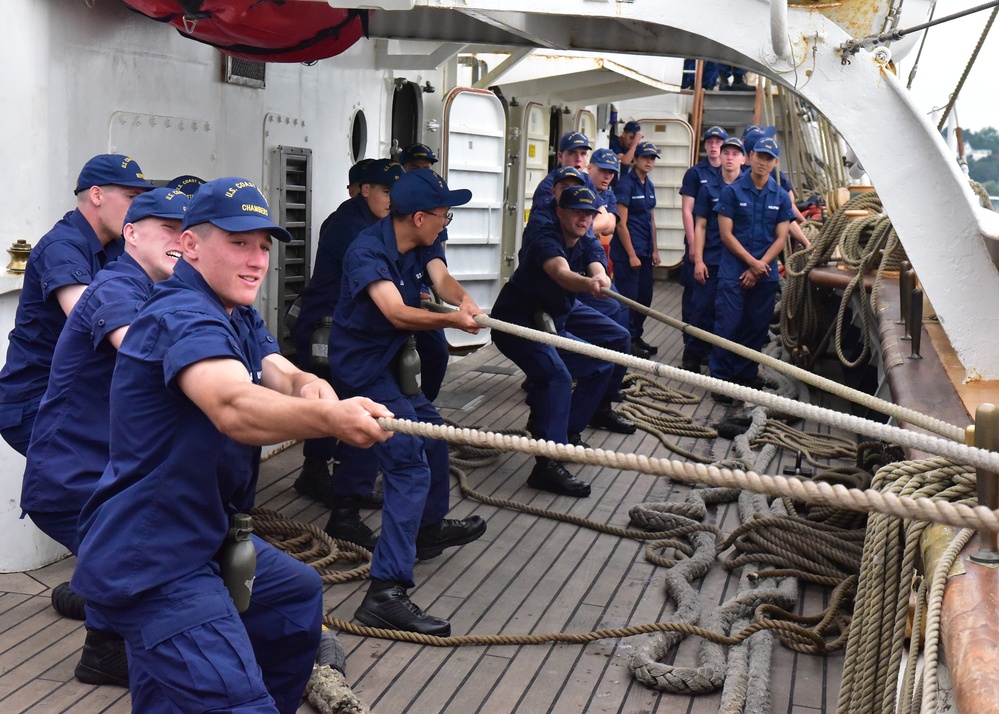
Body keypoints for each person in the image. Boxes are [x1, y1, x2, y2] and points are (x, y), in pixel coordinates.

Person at [70, 177, 392, 713]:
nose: (257, 259)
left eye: (264, 246)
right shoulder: (181, 314)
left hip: (203, 531)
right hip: (152, 555)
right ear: (191, 246)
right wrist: (329, 417)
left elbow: (278, 371)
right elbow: (232, 405)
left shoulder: (232, 312)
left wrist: (314, 388)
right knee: (236, 702)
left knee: (294, 595)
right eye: (239, 242)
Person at [22, 187, 189, 687]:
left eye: (188, 232)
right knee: (153, 555)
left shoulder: (164, 291)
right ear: (132, 235)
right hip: (72, 474)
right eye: (168, 230)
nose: (180, 241)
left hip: (103, 470)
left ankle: (103, 648)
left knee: (133, 547)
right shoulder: (116, 287)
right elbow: (138, 348)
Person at [330, 169, 486, 636]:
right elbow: (396, 312)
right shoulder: (367, 251)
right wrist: (453, 325)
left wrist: (465, 303)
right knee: (407, 462)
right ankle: (384, 593)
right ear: (419, 217)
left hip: (392, 366)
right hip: (361, 369)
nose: (446, 223)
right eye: (443, 215)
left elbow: (442, 281)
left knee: (435, 441)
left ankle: (426, 531)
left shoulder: (421, 242)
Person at [0, 154, 152, 455]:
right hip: (34, 402)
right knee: (95, 478)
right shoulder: (62, 247)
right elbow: (88, 314)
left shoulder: (117, 244)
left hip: (78, 396)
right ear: (97, 195)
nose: (138, 210)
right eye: (131, 197)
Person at [492, 186, 628, 498]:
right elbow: (561, 273)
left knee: (600, 364)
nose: (584, 218)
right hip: (517, 323)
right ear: (560, 212)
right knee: (556, 376)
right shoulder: (545, 235)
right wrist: (588, 283)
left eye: (589, 213)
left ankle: (565, 431)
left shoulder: (587, 238)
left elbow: (597, 266)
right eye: (577, 212)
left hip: (555, 317)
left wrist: (600, 279)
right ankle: (546, 467)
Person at [291, 159, 404, 527]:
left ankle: (327, 473)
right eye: (388, 192)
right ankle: (316, 472)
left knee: (341, 396)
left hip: (344, 323)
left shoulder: (372, 222)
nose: (394, 200)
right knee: (332, 396)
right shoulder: (350, 226)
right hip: (325, 324)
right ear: (365, 190)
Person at [709, 137, 795, 394]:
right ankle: (721, 380)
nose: (763, 161)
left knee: (756, 327)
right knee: (728, 325)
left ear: (775, 162)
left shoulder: (780, 197)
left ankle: (745, 375)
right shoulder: (732, 192)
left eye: (769, 157)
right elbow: (726, 234)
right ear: (749, 157)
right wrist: (751, 263)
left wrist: (760, 267)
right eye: (759, 155)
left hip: (764, 274)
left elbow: (781, 237)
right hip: (734, 271)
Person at [685, 137, 746, 372]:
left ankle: (722, 364)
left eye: (734, 153)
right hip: (711, 260)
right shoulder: (708, 189)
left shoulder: (748, 189)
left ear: (743, 158)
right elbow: (700, 225)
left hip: (737, 263)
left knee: (731, 317)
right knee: (701, 310)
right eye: (726, 153)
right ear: (719, 157)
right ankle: (692, 357)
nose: (729, 157)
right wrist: (698, 260)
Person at [679, 126, 727, 361]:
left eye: (719, 142)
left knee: (717, 303)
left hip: (723, 252)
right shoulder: (696, 174)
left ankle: (709, 349)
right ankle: (691, 346)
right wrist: (692, 246)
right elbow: (689, 212)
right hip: (701, 246)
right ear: (705, 145)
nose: (714, 145)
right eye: (710, 141)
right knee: (696, 298)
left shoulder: (734, 176)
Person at [612, 141, 660, 357]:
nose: (649, 162)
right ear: (636, 159)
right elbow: (621, 223)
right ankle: (626, 339)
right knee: (628, 299)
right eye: (645, 157)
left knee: (644, 298)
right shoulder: (625, 184)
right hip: (628, 253)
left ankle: (636, 335)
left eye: (652, 158)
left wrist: (655, 250)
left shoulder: (648, 184)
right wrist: (631, 254)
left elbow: (651, 219)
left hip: (645, 251)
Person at [609, 120, 643, 185]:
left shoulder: (630, 148)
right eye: (631, 138)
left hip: (622, 183)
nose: (632, 141)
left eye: (635, 139)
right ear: (624, 134)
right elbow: (625, 161)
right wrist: (635, 143)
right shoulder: (614, 143)